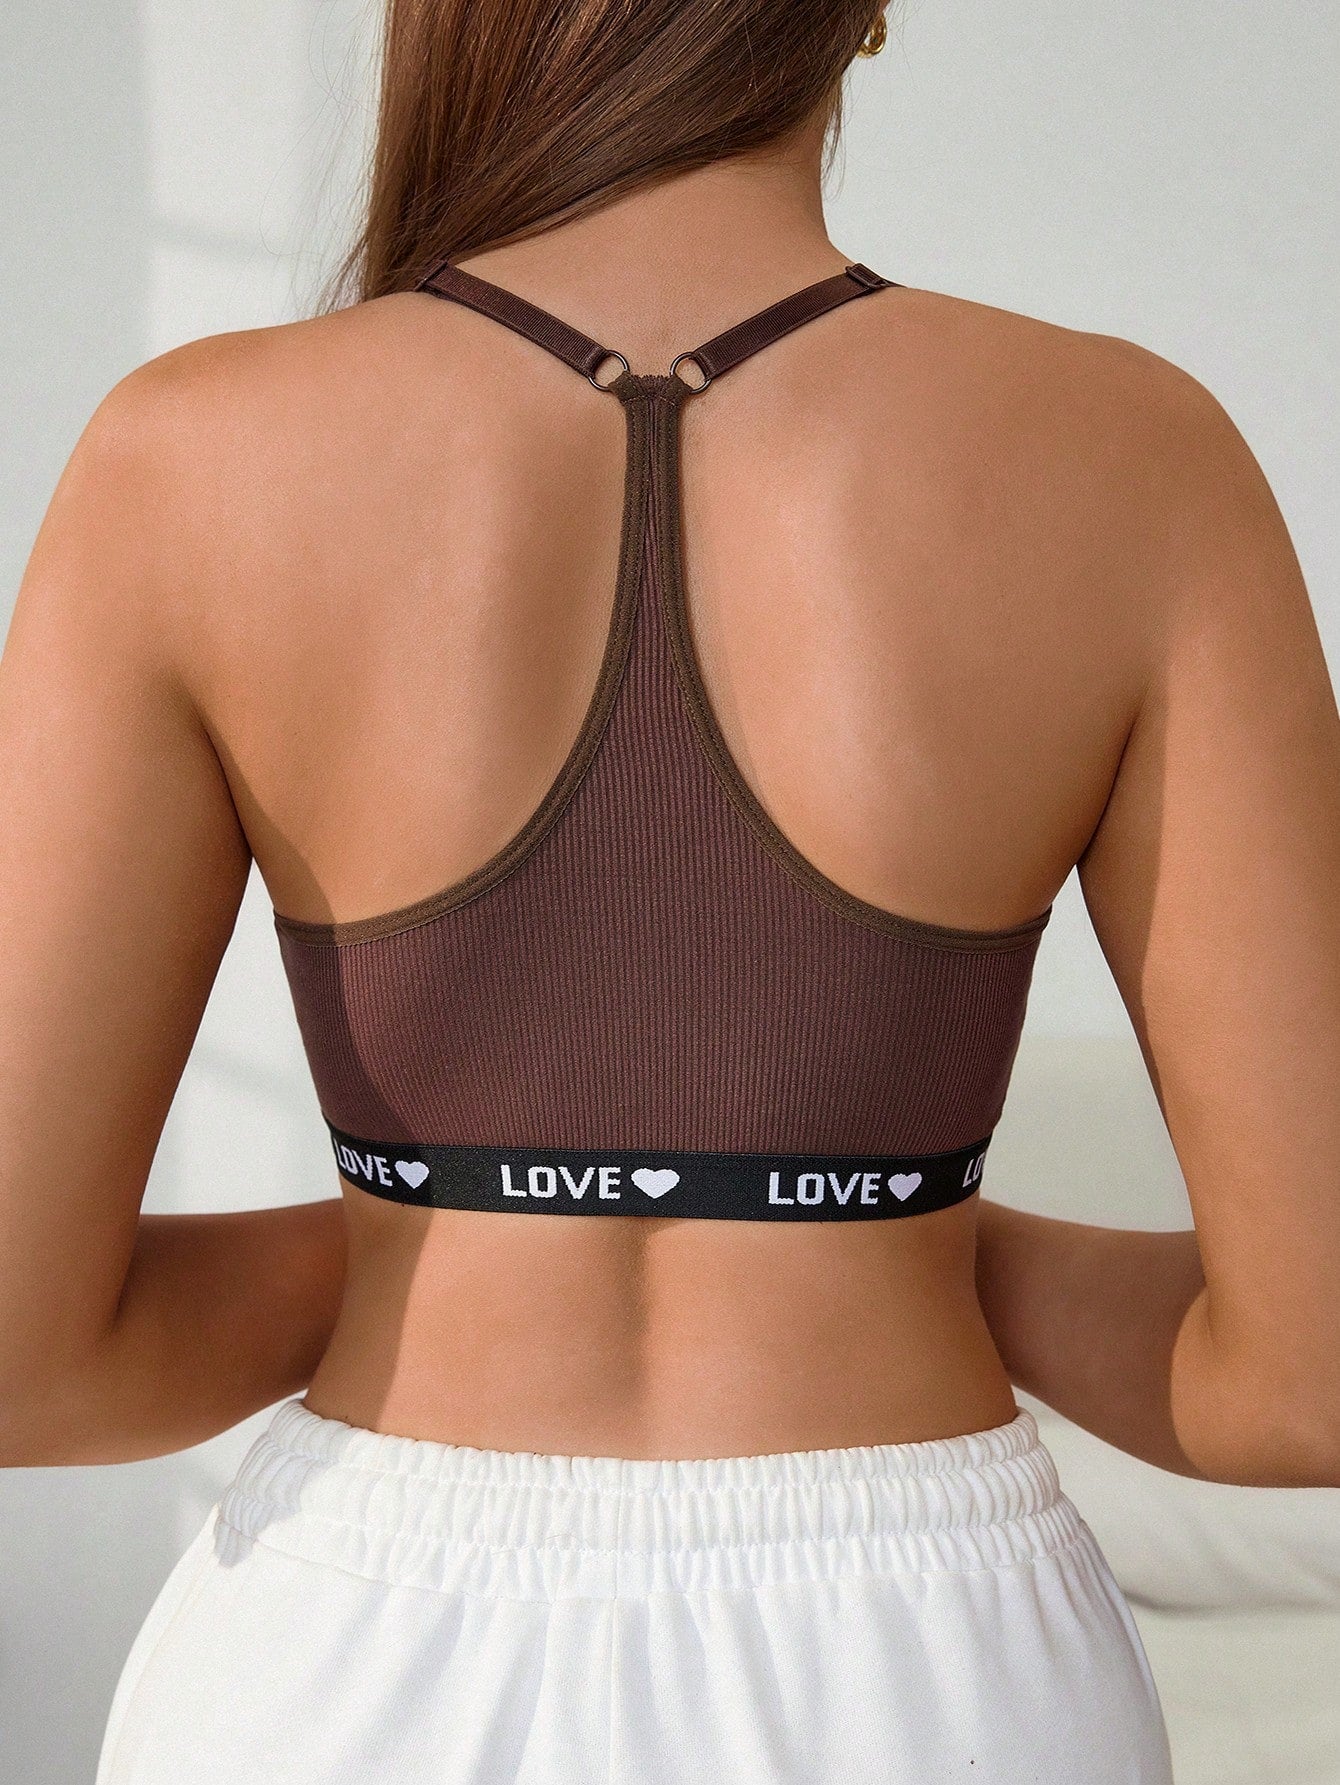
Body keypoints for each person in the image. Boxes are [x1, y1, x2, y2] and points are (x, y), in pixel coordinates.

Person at [2, 1, 1337, 1780]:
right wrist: (901, 1243)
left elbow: (24, 1354)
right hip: (938, 1677)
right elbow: (1310, 1378)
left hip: (336, 1655)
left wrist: (442, 1239)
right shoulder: (1137, 456)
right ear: (867, 14)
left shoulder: (186, 458)